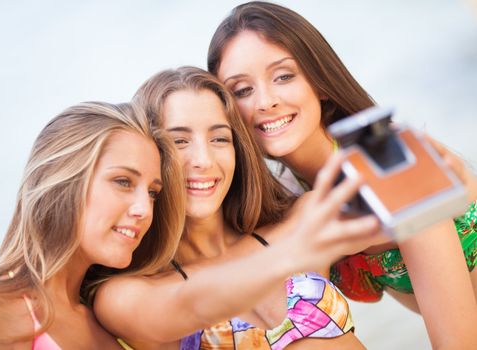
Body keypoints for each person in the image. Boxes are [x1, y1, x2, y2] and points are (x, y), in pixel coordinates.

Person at [207, 1, 477, 348]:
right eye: (242, 90)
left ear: (319, 81)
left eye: (284, 76)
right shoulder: (286, 200)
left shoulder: (388, 158)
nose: (265, 101)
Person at [91, 66, 386, 350]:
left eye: (220, 138)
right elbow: (192, 302)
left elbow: (416, 203)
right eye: (178, 141)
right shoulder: (123, 296)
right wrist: (293, 251)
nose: (203, 160)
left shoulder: (297, 220)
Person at [0, 101, 186, 349]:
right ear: (63, 182)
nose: (144, 210)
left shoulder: (116, 328)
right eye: (123, 181)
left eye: (152, 193)